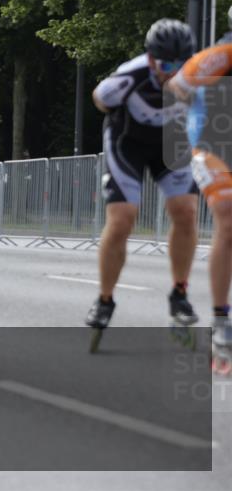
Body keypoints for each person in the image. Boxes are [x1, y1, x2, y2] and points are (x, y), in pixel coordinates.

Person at [85, 19, 200, 332]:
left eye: (181, 63)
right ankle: (105, 299)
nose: (173, 71)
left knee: (186, 212)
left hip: (170, 143)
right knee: (123, 219)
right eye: (166, 64)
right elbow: (100, 100)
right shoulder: (130, 74)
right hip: (128, 143)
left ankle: (179, 294)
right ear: (151, 59)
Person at [165, 6, 232, 364]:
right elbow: (176, 86)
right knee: (227, 214)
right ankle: (222, 319)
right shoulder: (219, 56)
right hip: (212, 144)